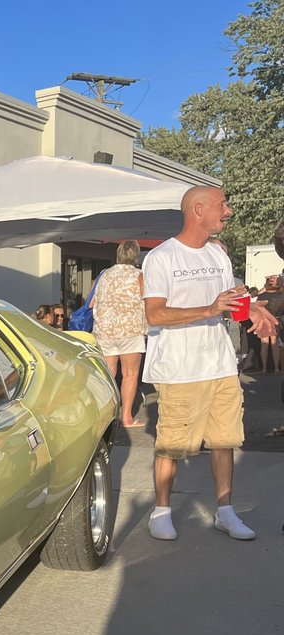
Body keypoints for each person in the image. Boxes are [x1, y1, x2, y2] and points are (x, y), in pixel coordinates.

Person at [141, 185, 277, 542]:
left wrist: (254, 310)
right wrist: (209, 309)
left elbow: (231, 298)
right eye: (223, 205)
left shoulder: (217, 254)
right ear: (198, 210)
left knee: (224, 440)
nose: (228, 211)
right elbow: (154, 314)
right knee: (172, 443)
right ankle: (161, 511)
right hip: (179, 367)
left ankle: (226, 512)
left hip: (220, 364)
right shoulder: (161, 257)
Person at [91, 240, 147, 427]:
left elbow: (91, 302)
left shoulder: (104, 275)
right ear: (136, 255)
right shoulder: (140, 276)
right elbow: (148, 300)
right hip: (130, 330)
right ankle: (127, 417)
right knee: (130, 374)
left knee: (108, 374)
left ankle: (105, 416)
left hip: (105, 329)